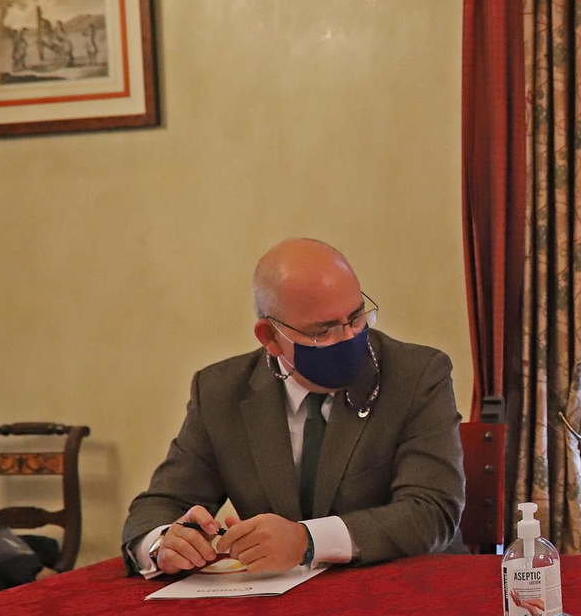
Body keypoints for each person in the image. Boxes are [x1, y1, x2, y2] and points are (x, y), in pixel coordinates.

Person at [122, 239, 465, 576]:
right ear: (270, 337)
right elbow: (158, 507)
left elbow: (431, 511)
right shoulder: (220, 393)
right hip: (275, 600)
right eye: (324, 331)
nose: (349, 338)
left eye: (357, 317)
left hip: (406, 587)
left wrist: (306, 541)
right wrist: (163, 544)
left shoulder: (416, 375)